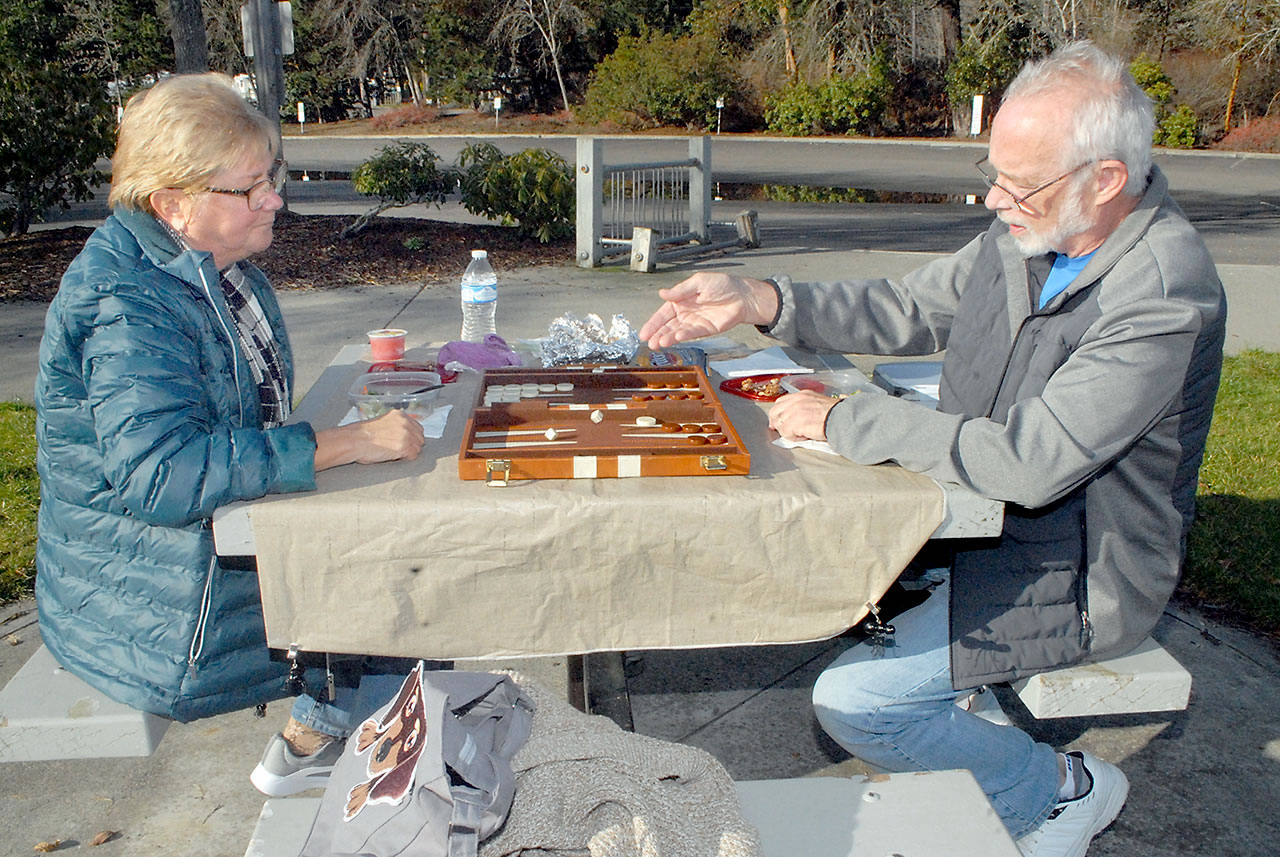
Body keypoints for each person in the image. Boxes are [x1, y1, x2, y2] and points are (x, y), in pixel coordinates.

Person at [640, 42, 1225, 857]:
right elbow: (908, 307)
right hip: (968, 524)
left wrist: (845, 417)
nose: (994, 196)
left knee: (860, 703)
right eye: (995, 170)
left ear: (1106, 181)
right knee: (792, 568)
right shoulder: (1029, 231)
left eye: (1019, 182)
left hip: (1083, 571)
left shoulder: (1161, 294)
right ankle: (964, 702)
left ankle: (1054, 793)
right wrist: (760, 298)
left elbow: (1034, 462)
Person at [34, 73, 427, 796]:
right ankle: (387, 790)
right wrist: (341, 443)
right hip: (162, 616)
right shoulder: (125, 303)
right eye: (250, 188)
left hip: (175, 576)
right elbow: (164, 477)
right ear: (173, 204)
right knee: (410, 573)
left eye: (271, 177)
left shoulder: (212, 268)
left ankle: (328, 736)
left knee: (391, 545)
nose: (274, 198)